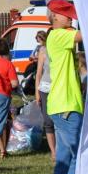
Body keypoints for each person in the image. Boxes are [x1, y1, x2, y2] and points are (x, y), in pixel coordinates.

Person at [44, 0, 88, 174]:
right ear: (54, 16)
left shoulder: (56, 35)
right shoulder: (59, 35)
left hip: (61, 105)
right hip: (66, 106)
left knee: (63, 159)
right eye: (67, 14)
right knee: (76, 158)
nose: (71, 18)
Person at [34, 30, 56, 160]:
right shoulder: (43, 52)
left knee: (59, 120)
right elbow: (38, 74)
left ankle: (60, 149)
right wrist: (37, 92)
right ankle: (53, 151)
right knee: (48, 121)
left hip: (58, 89)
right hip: (45, 88)